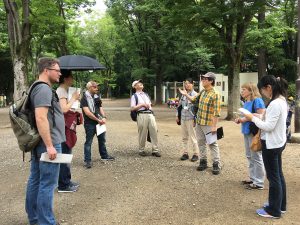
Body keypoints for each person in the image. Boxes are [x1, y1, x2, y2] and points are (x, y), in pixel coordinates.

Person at [25, 57, 65, 225]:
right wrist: (50, 146)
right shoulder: (44, 89)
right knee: (48, 183)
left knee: (36, 179)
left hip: (40, 143)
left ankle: (34, 218)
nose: (60, 73)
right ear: (46, 70)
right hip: (47, 143)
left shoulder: (37, 87)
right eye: (57, 70)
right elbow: (41, 118)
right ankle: (46, 222)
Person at [243, 75, 288, 219]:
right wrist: (258, 117)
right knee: (278, 175)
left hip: (271, 144)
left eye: (263, 90)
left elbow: (268, 126)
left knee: (273, 177)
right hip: (278, 142)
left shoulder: (275, 103)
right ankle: (280, 205)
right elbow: (271, 120)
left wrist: (252, 118)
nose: (263, 93)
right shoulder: (281, 100)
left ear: (269, 87)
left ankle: (274, 210)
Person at [179, 72, 221, 175]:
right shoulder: (203, 91)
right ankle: (203, 161)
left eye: (205, 79)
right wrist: (186, 95)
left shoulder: (215, 93)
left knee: (212, 143)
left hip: (209, 123)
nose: (203, 80)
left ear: (211, 81)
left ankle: (216, 163)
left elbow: (217, 112)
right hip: (199, 122)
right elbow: (194, 100)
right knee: (201, 142)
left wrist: (215, 126)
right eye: (203, 79)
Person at [235, 83, 265, 189]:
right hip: (247, 131)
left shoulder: (257, 100)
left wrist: (244, 118)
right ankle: (253, 178)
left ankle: (259, 182)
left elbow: (262, 116)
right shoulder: (246, 102)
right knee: (249, 156)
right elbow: (247, 116)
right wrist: (240, 119)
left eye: (244, 89)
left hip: (254, 132)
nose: (242, 91)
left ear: (251, 90)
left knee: (256, 156)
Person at [56, 70, 81, 192]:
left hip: (64, 127)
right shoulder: (61, 90)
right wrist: (74, 98)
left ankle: (67, 181)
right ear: (65, 78)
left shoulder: (64, 90)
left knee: (67, 153)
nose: (73, 79)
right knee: (65, 154)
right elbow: (64, 109)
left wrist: (75, 100)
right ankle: (63, 185)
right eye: (71, 77)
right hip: (62, 128)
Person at [80, 81, 114, 169]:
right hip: (90, 123)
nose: (97, 88)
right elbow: (87, 112)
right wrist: (98, 120)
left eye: (97, 87)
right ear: (89, 87)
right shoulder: (84, 98)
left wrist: (104, 117)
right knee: (89, 142)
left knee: (102, 140)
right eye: (95, 87)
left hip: (100, 122)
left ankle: (104, 156)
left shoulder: (97, 97)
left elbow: (100, 108)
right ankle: (87, 160)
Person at [130, 80, 161, 157]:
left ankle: (155, 150)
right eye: (138, 83)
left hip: (150, 114)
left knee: (154, 131)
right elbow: (132, 108)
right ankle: (141, 150)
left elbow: (150, 104)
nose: (140, 84)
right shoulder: (134, 96)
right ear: (134, 87)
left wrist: (151, 110)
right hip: (141, 114)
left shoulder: (146, 94)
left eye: (141, 83)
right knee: (142, 132)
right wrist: (142, 105)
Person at [176, 78, 199, 161]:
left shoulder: (195, 95)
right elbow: (179, 106)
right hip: (183, 118)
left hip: (191, 118)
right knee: (184, 137)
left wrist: (195, 120)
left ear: (193, 84)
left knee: (193, 137)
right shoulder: (182, 94)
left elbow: (196, 107)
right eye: (185, 83)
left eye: (189, 83)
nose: (187, 85)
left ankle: (196, 154)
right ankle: (185, 153)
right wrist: (177, 116)